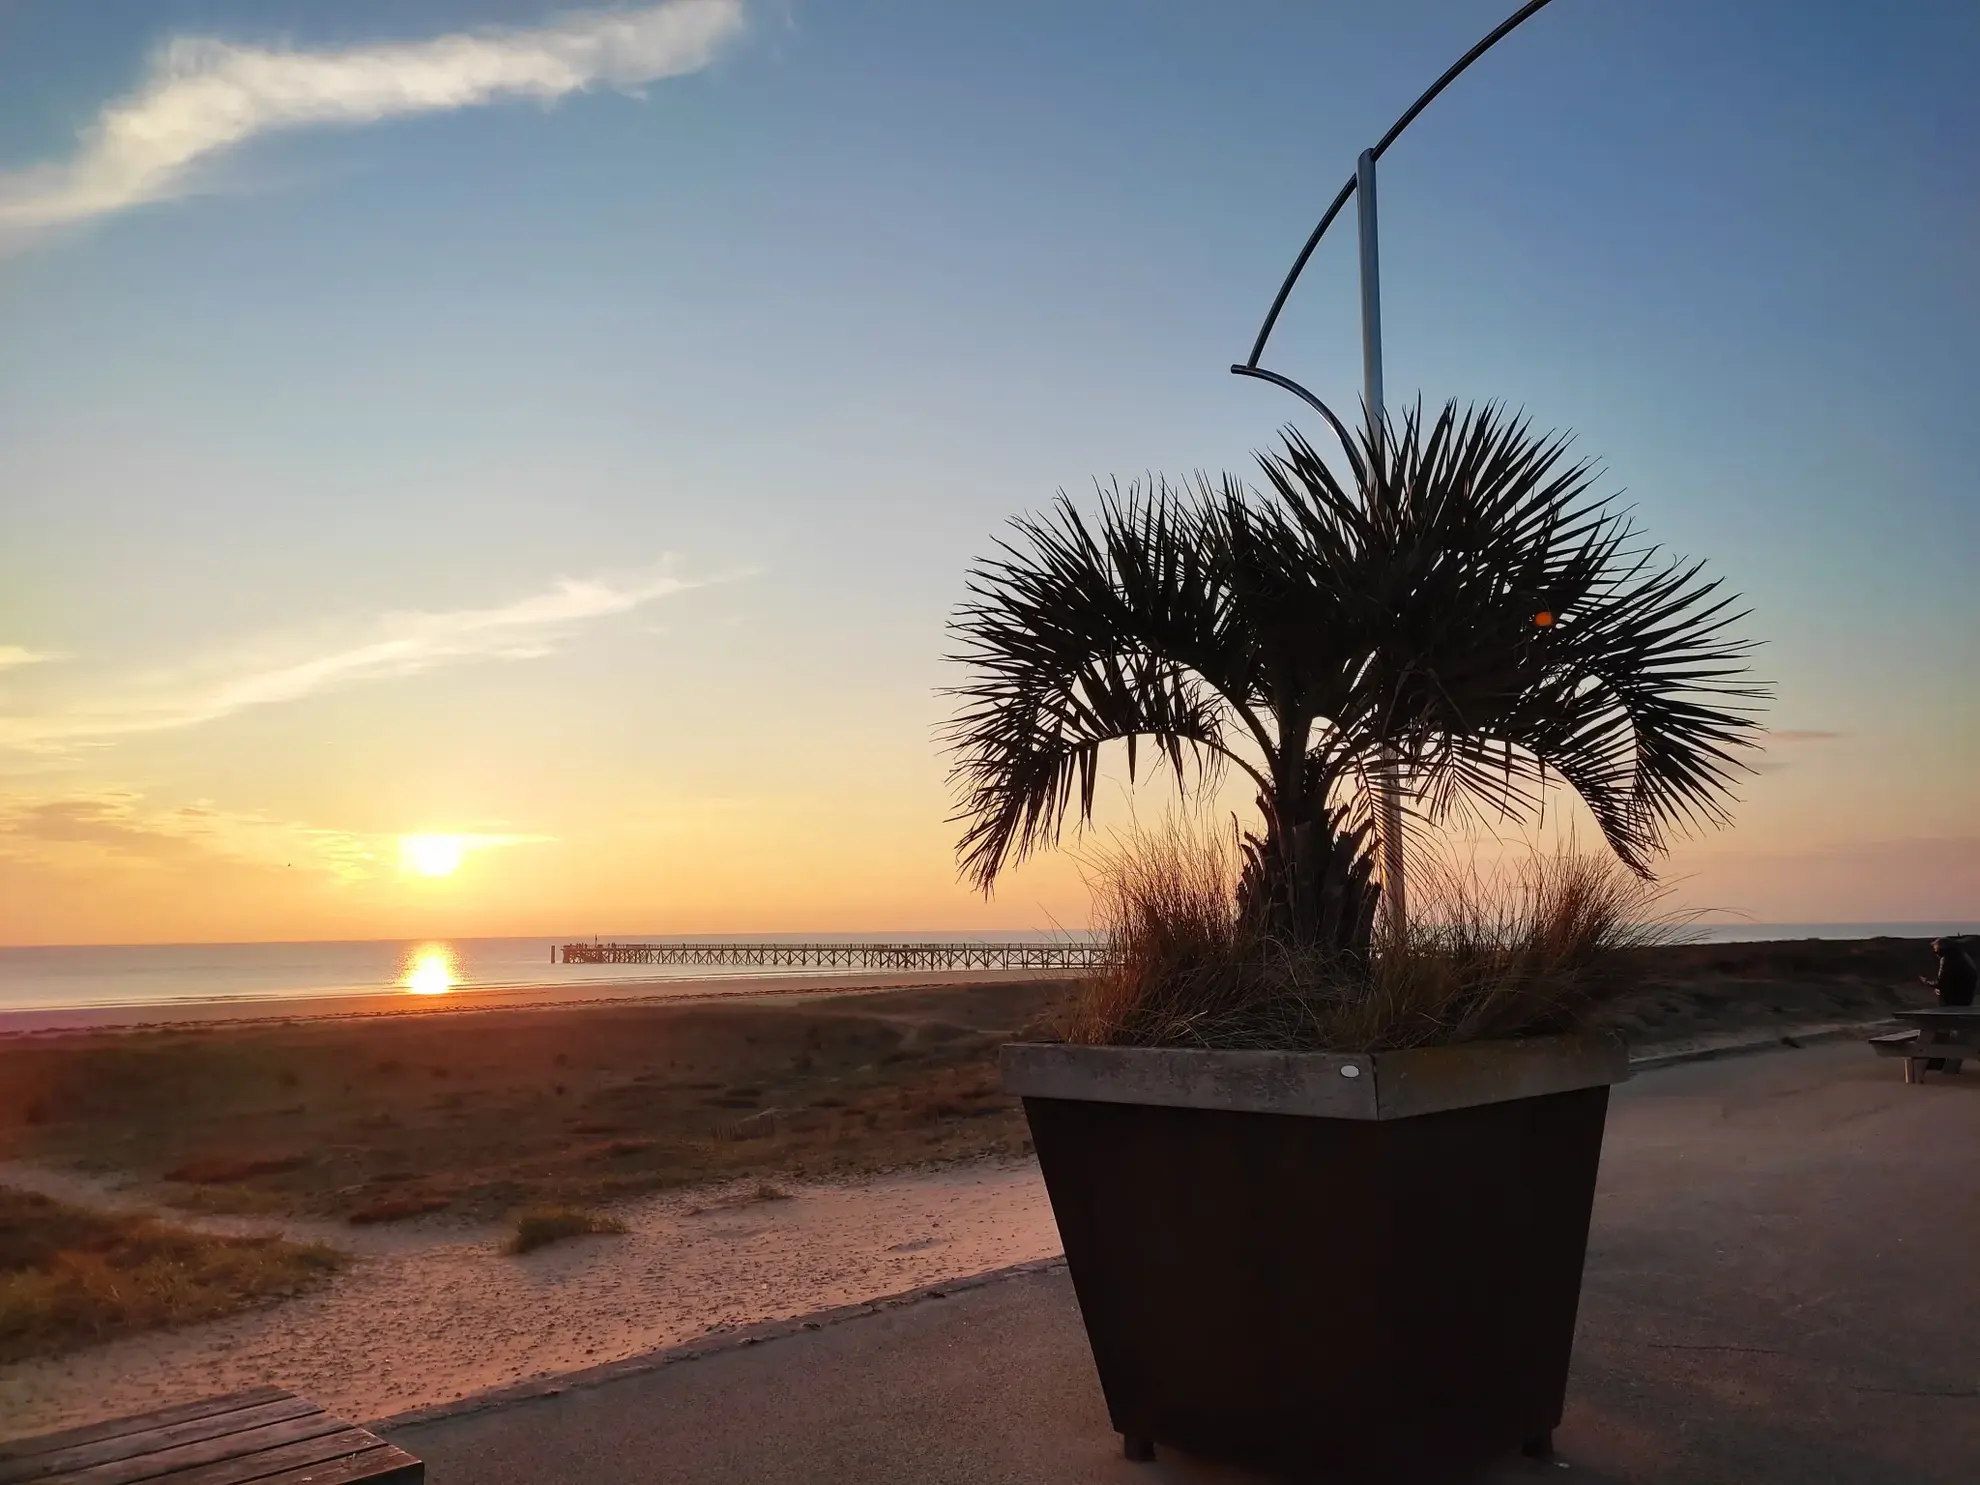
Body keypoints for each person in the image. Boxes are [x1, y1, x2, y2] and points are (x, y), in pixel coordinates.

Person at [1918, 937, 1978, 1071]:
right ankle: (1947, 1063)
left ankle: (1935, 1061)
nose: (1935, 952)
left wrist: (1927, 982)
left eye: (1935, 949)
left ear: (1941, 949)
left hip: (1951, 1002)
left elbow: (1942, 982)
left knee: (1939, 1029)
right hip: (1964, 1000)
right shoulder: (1964, 956)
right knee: (1953, 1031)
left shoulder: (1947, 959)